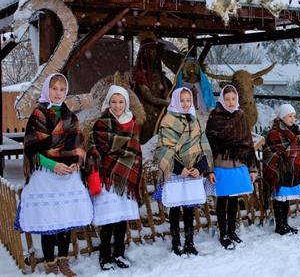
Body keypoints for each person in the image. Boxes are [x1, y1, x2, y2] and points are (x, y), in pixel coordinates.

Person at [15, 73, 92, 276]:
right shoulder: (38, 115)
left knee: (65, 219)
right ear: (47, 89)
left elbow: (79, 145)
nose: (58, 93)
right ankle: (50, 261)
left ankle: (63, 260)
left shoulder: (70, 116)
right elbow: (32, 148)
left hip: (68, 176)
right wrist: (53, 165)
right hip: (46, 174)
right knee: (49, 219)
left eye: (61, 89)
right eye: (54, 88)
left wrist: (76, 162)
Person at [86, 85, 143, 270]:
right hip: (107, 178)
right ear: (108, 102)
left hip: (124, 179)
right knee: (108, 220)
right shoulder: (100, 123)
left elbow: (135, 152)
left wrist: (121, 159)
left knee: (121, 220)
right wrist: (110, 158)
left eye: (121, 102)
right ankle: (105, 256)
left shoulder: (134, 124)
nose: (117, 106)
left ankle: (119, 253)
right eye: (114, 101)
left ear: (126, 103)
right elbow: (94, 150)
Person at [154, 87, 213, 255]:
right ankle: (175, 243)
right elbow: (163, 149)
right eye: (182, 100)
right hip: (176, 171)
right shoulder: (168, 121)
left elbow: (204, 147)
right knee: (174, 208)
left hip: (193, 171)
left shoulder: (197, 121)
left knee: (189, 208)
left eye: (188, 100)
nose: (186, 104)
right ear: (175, 101)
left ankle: (189, 242)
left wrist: (200, 168)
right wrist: (180, 169)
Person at [206, 85, 258, 249]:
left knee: (234, 199)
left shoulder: (241, 116)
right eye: (227, 99)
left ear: (237, 99)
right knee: (222, 200)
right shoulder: (215, 117)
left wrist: (252, 168)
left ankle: (232, 231)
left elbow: (248, 144)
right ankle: (223, 234)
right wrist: (210, 169)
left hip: (239, 164)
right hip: (221, 164)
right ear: (222, 99)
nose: (230, 102)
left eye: (233, 99)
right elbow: (208, 146)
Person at [263, 104, 300, 235]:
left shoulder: (295, 131)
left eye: (294, 116)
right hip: (279, 170)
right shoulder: (274, 132)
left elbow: (298, 149)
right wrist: (288, 155)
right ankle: (279, 226)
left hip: (291, 170)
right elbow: (270, 152)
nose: (293, 119)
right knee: (280, 198)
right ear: (282, 117)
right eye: (289, 116)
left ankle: (285, 223)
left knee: (286, 199)